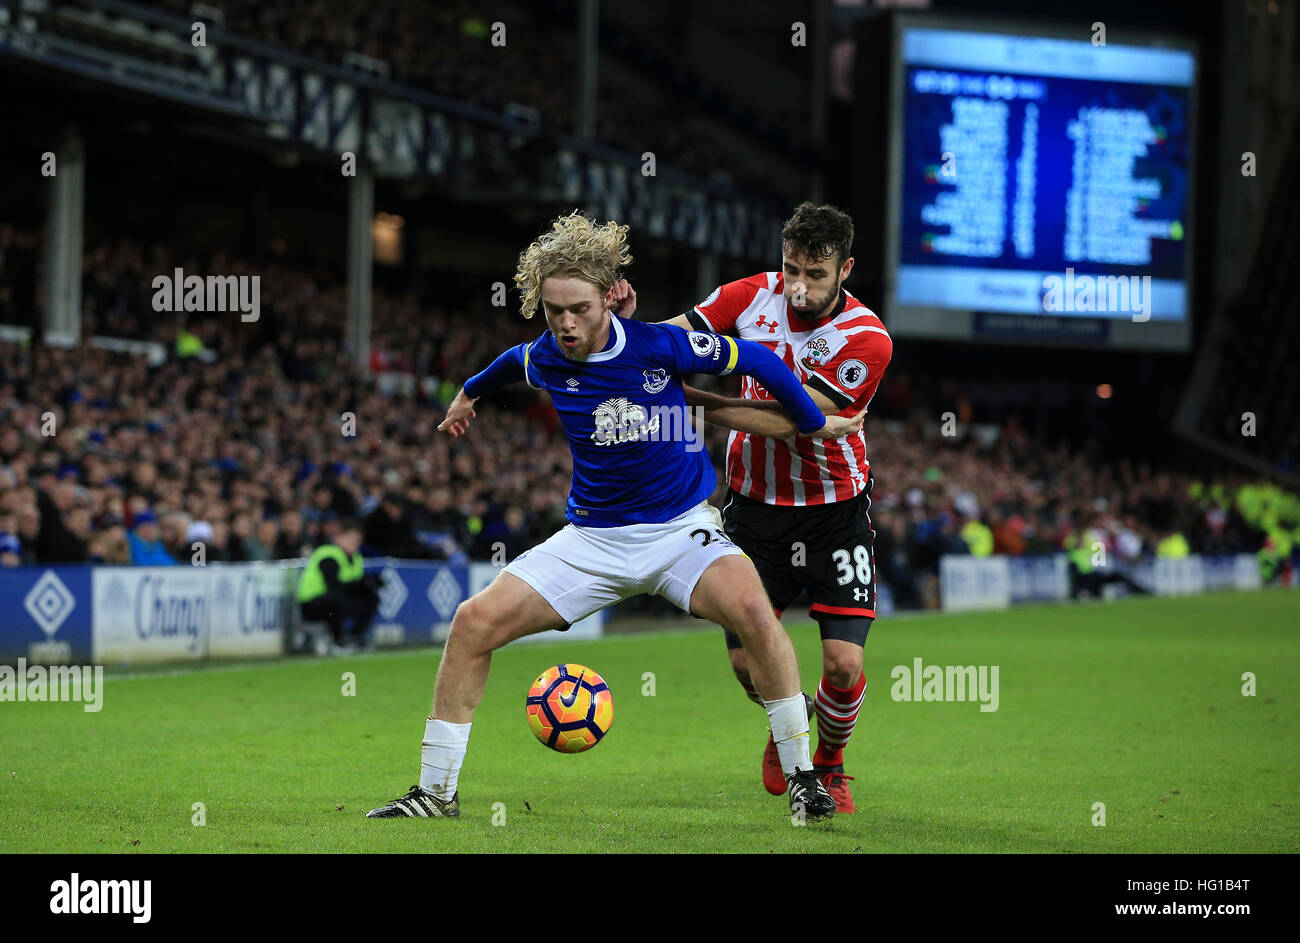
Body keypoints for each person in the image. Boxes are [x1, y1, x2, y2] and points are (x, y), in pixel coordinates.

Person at [367, 211, 865, 822]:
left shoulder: (660, 346)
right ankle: (434, 794)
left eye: (578, 308)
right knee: (471, 623)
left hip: (682, 532)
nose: (566, 324)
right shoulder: (546, 356)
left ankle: (804, 782)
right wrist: (468, 394)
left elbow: (758, 364)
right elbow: (505, 366)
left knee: (757, 615)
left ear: (608, 298)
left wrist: (815, 424)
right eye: (554, 312)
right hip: (592, 540)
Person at [615, 201, 892, 813]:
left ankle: (830, 764)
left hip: (835, 508)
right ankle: (784, 719)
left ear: (845, 269)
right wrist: (626, 329)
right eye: (791, 268)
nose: (798, 286)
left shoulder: (866, 339)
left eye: (815, 275)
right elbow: (666, 343)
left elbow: (794, 424)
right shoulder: (747, 296)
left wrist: (690, 400)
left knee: (843, 664)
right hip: (752, 509)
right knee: (748, 666)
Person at [297, 519, 381, 651]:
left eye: (358, 540)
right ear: (339, 537)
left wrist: (369, 583)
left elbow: (353, 584)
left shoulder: (356, 557)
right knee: (337, 598)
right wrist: (362, 583)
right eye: (351, 539)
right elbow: (334, 585)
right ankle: (337, 641)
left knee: (371, 597)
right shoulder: (328, 554)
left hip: (338, 600)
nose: (355, 543)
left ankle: (354, 638)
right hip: (312, 603)